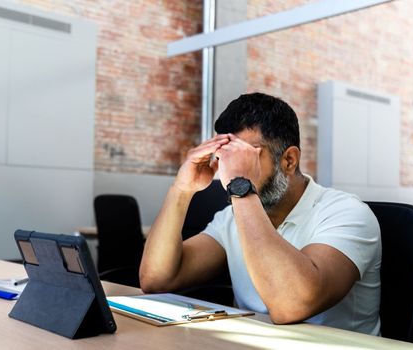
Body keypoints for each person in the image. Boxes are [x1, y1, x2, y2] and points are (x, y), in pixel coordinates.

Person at [139, 92, 381, 335]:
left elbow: (290, 306)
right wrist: (181, 190)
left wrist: (242, 187)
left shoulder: (347, 213)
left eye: (247, 155)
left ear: (289, 160)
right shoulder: (231, 218)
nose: (231, 169)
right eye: (227, 156)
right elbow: (157, 280)